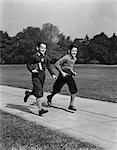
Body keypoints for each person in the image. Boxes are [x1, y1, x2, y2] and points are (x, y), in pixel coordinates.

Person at [24, 42, 57, 116]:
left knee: (38, 91)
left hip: (42, 76)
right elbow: (28, 65)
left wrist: (53, 74)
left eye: (44, 48)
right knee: (39, 93)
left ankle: (28, 94)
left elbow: (49, 66)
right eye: (42, 48)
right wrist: (32, 70)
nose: (43, 49)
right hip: (35, 76)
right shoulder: (34, 56)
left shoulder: (46, 57)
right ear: (37, 48)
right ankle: (40, 110)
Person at [47, 44, 78, 111]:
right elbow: (56, 64)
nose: (74, 53)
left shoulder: (75, 58)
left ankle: (71, 105)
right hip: (62, 75)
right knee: (57, 90)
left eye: (76, 51)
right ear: (69, 51)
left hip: (69, 76)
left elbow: (70, 67)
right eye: (73, 51)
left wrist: (73, 72)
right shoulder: (66, 57)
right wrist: (62, 73)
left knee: (73, 89)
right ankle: (50, 97)